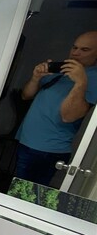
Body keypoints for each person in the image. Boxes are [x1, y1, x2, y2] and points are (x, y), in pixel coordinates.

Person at [15, 31, 97, 186]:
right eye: (74, 47)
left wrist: (80, 83)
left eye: (85, 50)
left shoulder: (92, 78)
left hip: (48, 150)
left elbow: (68, 116)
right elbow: (26, 95)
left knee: (28, 197)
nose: (75, 53)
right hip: (27, 141)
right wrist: (36, 77)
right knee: (18, 190)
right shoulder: (61, 71)